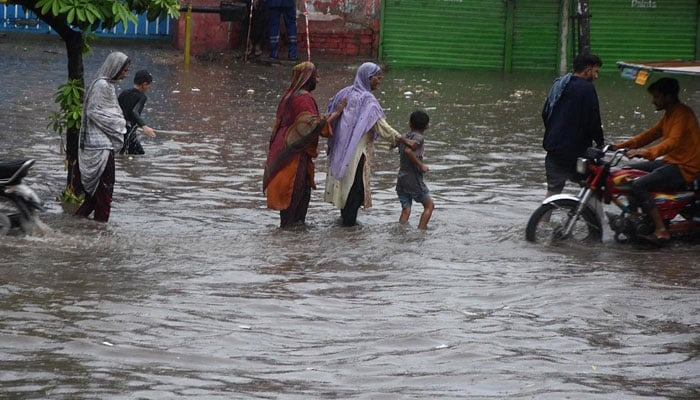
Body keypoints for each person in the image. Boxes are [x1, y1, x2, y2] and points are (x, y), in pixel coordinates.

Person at [324, 62, 417, 226]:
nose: (379, 81)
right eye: (377, 77)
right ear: (368, 78)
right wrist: (403, 140)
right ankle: (349, 228)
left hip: (340, 151)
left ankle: (345, 223)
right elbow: (381, 126)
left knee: (347, 185)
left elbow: (330, 113)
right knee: (357, 189)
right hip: (357, 152)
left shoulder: (344, 93)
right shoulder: (368, 101)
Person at [614, 77, 700, 243]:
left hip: (685, 167)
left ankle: (661, 230)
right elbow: (650, 134)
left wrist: (646, 152)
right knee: (626, 173)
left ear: (668, 97)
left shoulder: (682, 114)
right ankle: (636, 216)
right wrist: (618, 146)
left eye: (656, 97)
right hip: (672, 161)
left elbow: (672, 141)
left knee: (639, 184)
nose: (653, 101)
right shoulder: (670, 114)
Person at [263, 61, 346, 227]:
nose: (318, 80)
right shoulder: (304, 98)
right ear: (308, 78)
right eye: (316, 76)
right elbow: (312, 126)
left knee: (293, 200)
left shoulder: (288, 96)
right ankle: (291, 242)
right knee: (294, 198)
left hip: (283, 150)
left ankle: (293, 242)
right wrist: (337, 113)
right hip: (294, 154)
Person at [76, 51, 130, 222]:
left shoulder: (108, 86)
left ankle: (74, 225)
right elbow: (95, 111)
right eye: (124, 70)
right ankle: (101, 233)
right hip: (99, 147)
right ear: (115, 68)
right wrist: (120, 123)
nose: (125, 74)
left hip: (102, 145)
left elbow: (109, 110)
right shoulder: (102, 86)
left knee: (94, 197)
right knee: (104, 194)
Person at [542, 52, 605, 199]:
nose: (596, 76)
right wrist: (600, 143)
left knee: (553, 192)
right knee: (593, 186)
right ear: (587, 69)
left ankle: (543, 222)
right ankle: (597, 221)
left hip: (554, 149)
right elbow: (593, 119)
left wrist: (555, 132)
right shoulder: (587, 88)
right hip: (576, 152)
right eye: (596, 71)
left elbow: (546, 113)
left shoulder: (559, 84)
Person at [396, 110, 434, 230]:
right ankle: (421, 232)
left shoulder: (404, 137)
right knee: (429, 206)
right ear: (427, 125)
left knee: (406, 209)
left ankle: (401, 232)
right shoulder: (419, 139)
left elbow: (396, 143)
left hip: (401, 179)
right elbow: (408, 151)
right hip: (413, 179)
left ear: (410, 124)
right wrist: (421, 165)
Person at [118, 69, 157, 155]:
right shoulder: (142, 97)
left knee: (122, 154)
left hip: (119, 130)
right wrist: (144, 126)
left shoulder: (124, 93)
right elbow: (134, 112)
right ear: (144, 84)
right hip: (129, 132)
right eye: (149, 85)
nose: (149, 87)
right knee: (140, 155)